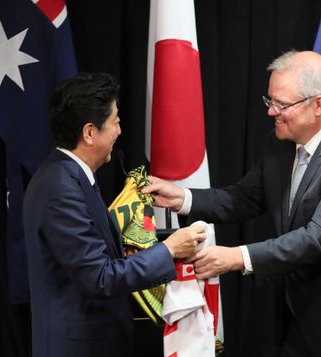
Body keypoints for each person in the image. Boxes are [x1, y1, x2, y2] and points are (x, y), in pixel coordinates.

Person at [142, 50, 321, 357]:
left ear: (318, 105)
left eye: (282, 105)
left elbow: (318, 239)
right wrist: (182, 198)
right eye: (270, 101)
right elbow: (244, 198)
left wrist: (236, 257)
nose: (271, 112)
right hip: (303, 319)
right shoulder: (281, 143)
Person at [22, 72, 205, 357]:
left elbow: (95, 256)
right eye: (115, 122)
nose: (119, 130)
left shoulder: (70, 176)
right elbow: (99, 276)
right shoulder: (61, 188)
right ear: (90, 133)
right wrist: (168, 250)